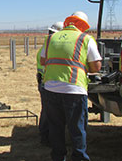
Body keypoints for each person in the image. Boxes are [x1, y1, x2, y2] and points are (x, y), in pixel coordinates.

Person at [40, 11, 102, 161]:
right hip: (74, 89)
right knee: (77, 129)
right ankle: (79, 157)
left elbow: (43, 61)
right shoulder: (85, 38)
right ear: (83, 26)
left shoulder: (51, 38)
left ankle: (58, 157)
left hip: (50, 89)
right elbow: (96, 67)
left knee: (56, 128)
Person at [36, 21, 64, 146]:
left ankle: (47, 135)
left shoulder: (47, 45)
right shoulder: (51, 47)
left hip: (46, 80)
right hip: (48, 82)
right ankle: (46, 137)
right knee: (49, 111)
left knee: (48, 110)